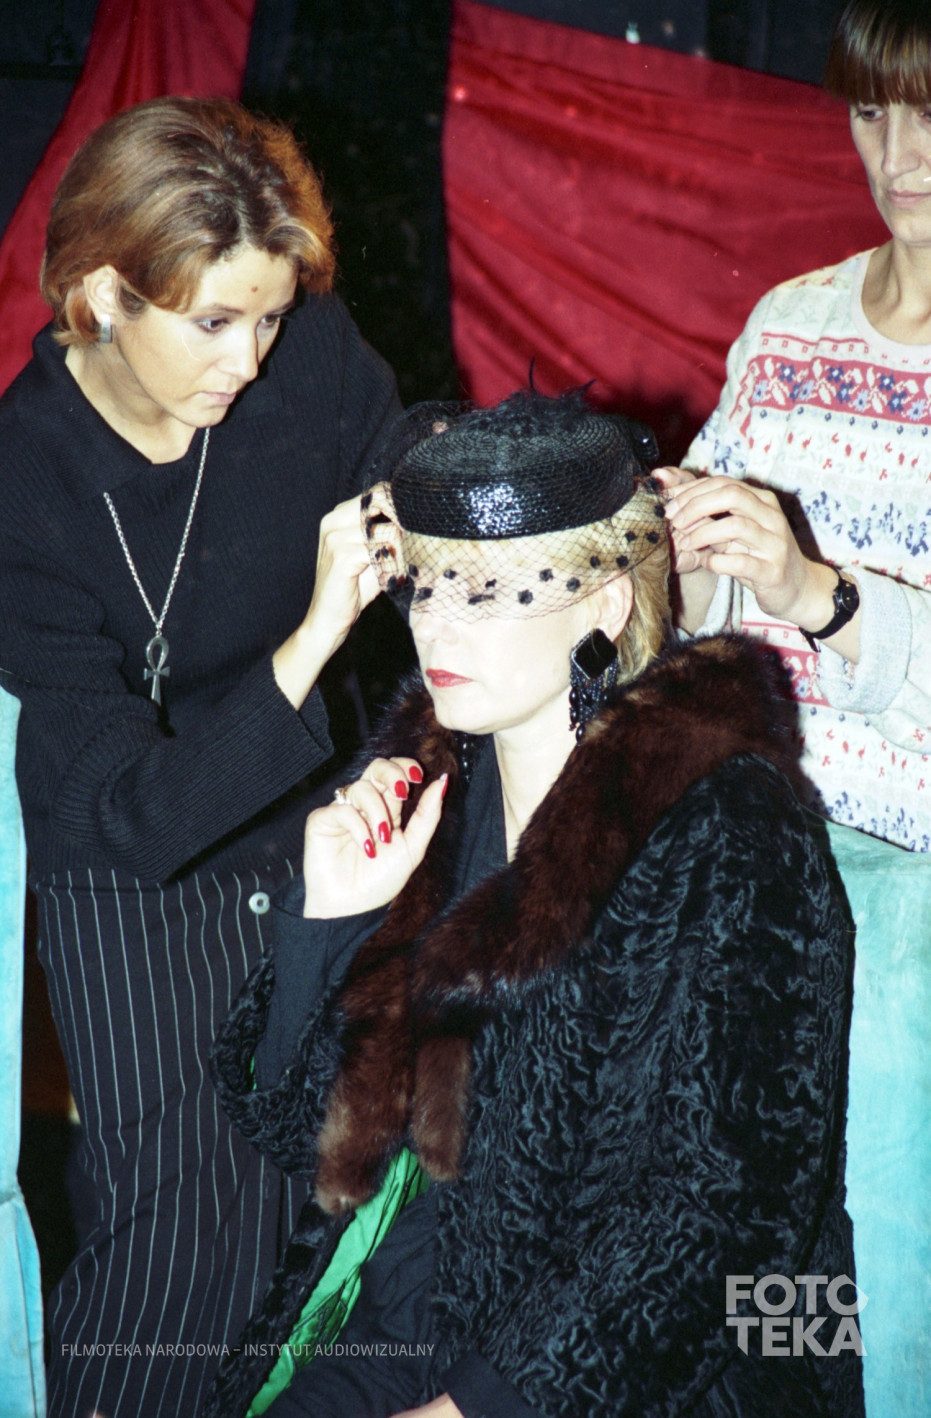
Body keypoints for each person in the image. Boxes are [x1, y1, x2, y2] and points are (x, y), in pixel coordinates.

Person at [206, 391, 862, 1418]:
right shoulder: (428, 788)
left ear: (605, 604)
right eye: (428, 583)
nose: (436, 623)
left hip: (642, 1370)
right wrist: (323, 923)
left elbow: (725, 1208)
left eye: (484, 589)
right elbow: (310, 1142)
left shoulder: (727, 827)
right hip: (406, 1321)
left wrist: (482, 1404)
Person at [0, 95, 399, 1417]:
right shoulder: (23, 481)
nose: (251, 358)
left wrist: (475, 476)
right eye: (215, 323)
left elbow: (392, 449)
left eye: (269, 316)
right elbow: (123, 810)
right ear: (104, 295)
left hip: (314, 830)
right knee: (174, 1265)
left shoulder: (304, 350)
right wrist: (313, 634)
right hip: (137, 870)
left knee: (323, 1240)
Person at [658, 0, 930, 853]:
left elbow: (794, 592)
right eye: (870, 112)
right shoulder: (788, 322)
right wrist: (682, 555)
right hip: (756, 861)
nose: (895, 158)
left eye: (929, 114)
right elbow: (709, 619)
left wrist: (816, 595)